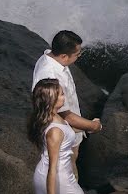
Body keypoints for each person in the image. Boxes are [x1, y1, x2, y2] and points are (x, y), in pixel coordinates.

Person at [32, 30, 102, 178]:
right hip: (63, 131)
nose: (79, 56)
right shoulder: (51, 75)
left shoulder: (51, 57)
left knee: (71, 161)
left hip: (70, 126)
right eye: (77, 54)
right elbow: (64, 114)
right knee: (66, 169)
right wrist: (93, 126)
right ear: (64, 56)